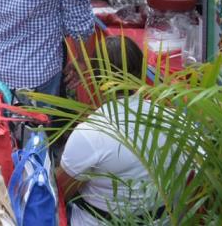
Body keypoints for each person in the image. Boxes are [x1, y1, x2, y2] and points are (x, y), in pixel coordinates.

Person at [57, 36, 167, 225]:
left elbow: (62, 191)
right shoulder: (170, 119)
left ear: (97, 77)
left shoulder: (91, 132)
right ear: (142, 73)